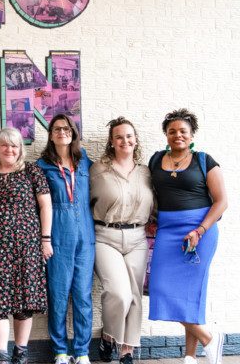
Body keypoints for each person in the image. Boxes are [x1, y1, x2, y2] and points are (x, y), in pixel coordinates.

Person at [148, 109, 227, 364]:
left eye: (183, 131)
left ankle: (190, 357)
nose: (177, 135)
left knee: (191, 293)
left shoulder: (204, 161)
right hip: (167, 231)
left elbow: (221, 202)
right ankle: (209, 339)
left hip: (199, 232)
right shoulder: (155, 160)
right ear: (166, 135)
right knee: (159, 288)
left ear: (192, 135)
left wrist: (199, 230)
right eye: (172, 131)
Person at [0, 128, 52, 364]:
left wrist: (45, 239)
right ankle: (0, 354)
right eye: (4, 145)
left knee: (24, 301)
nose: (9, 149)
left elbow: (46, 206)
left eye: (14, 145)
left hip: (27, 247)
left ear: (20, 149)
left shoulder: (31, 171)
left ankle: (20, 352)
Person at [89, 117, 155, 364]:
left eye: (129, 136)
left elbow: (157, 205)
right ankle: (108, 336)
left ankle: (127, 351)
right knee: (119, 293)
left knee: (135, 295)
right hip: (105, 236)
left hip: (137, 237)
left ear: (135, 139)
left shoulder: (146, 172)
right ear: (112, 141)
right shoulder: (98, 170)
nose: (124, 140)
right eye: (119, 137)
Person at [37, 114, 94, 364]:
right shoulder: (41, 166)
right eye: (57, 129)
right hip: (58, 236)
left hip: (86, 237)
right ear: (51, 135)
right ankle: (60, 351)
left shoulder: (85, 162)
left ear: (73, 133)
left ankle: (82, 352)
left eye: (67, 128)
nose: (63, 132)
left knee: (83, 296)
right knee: (58, 295)